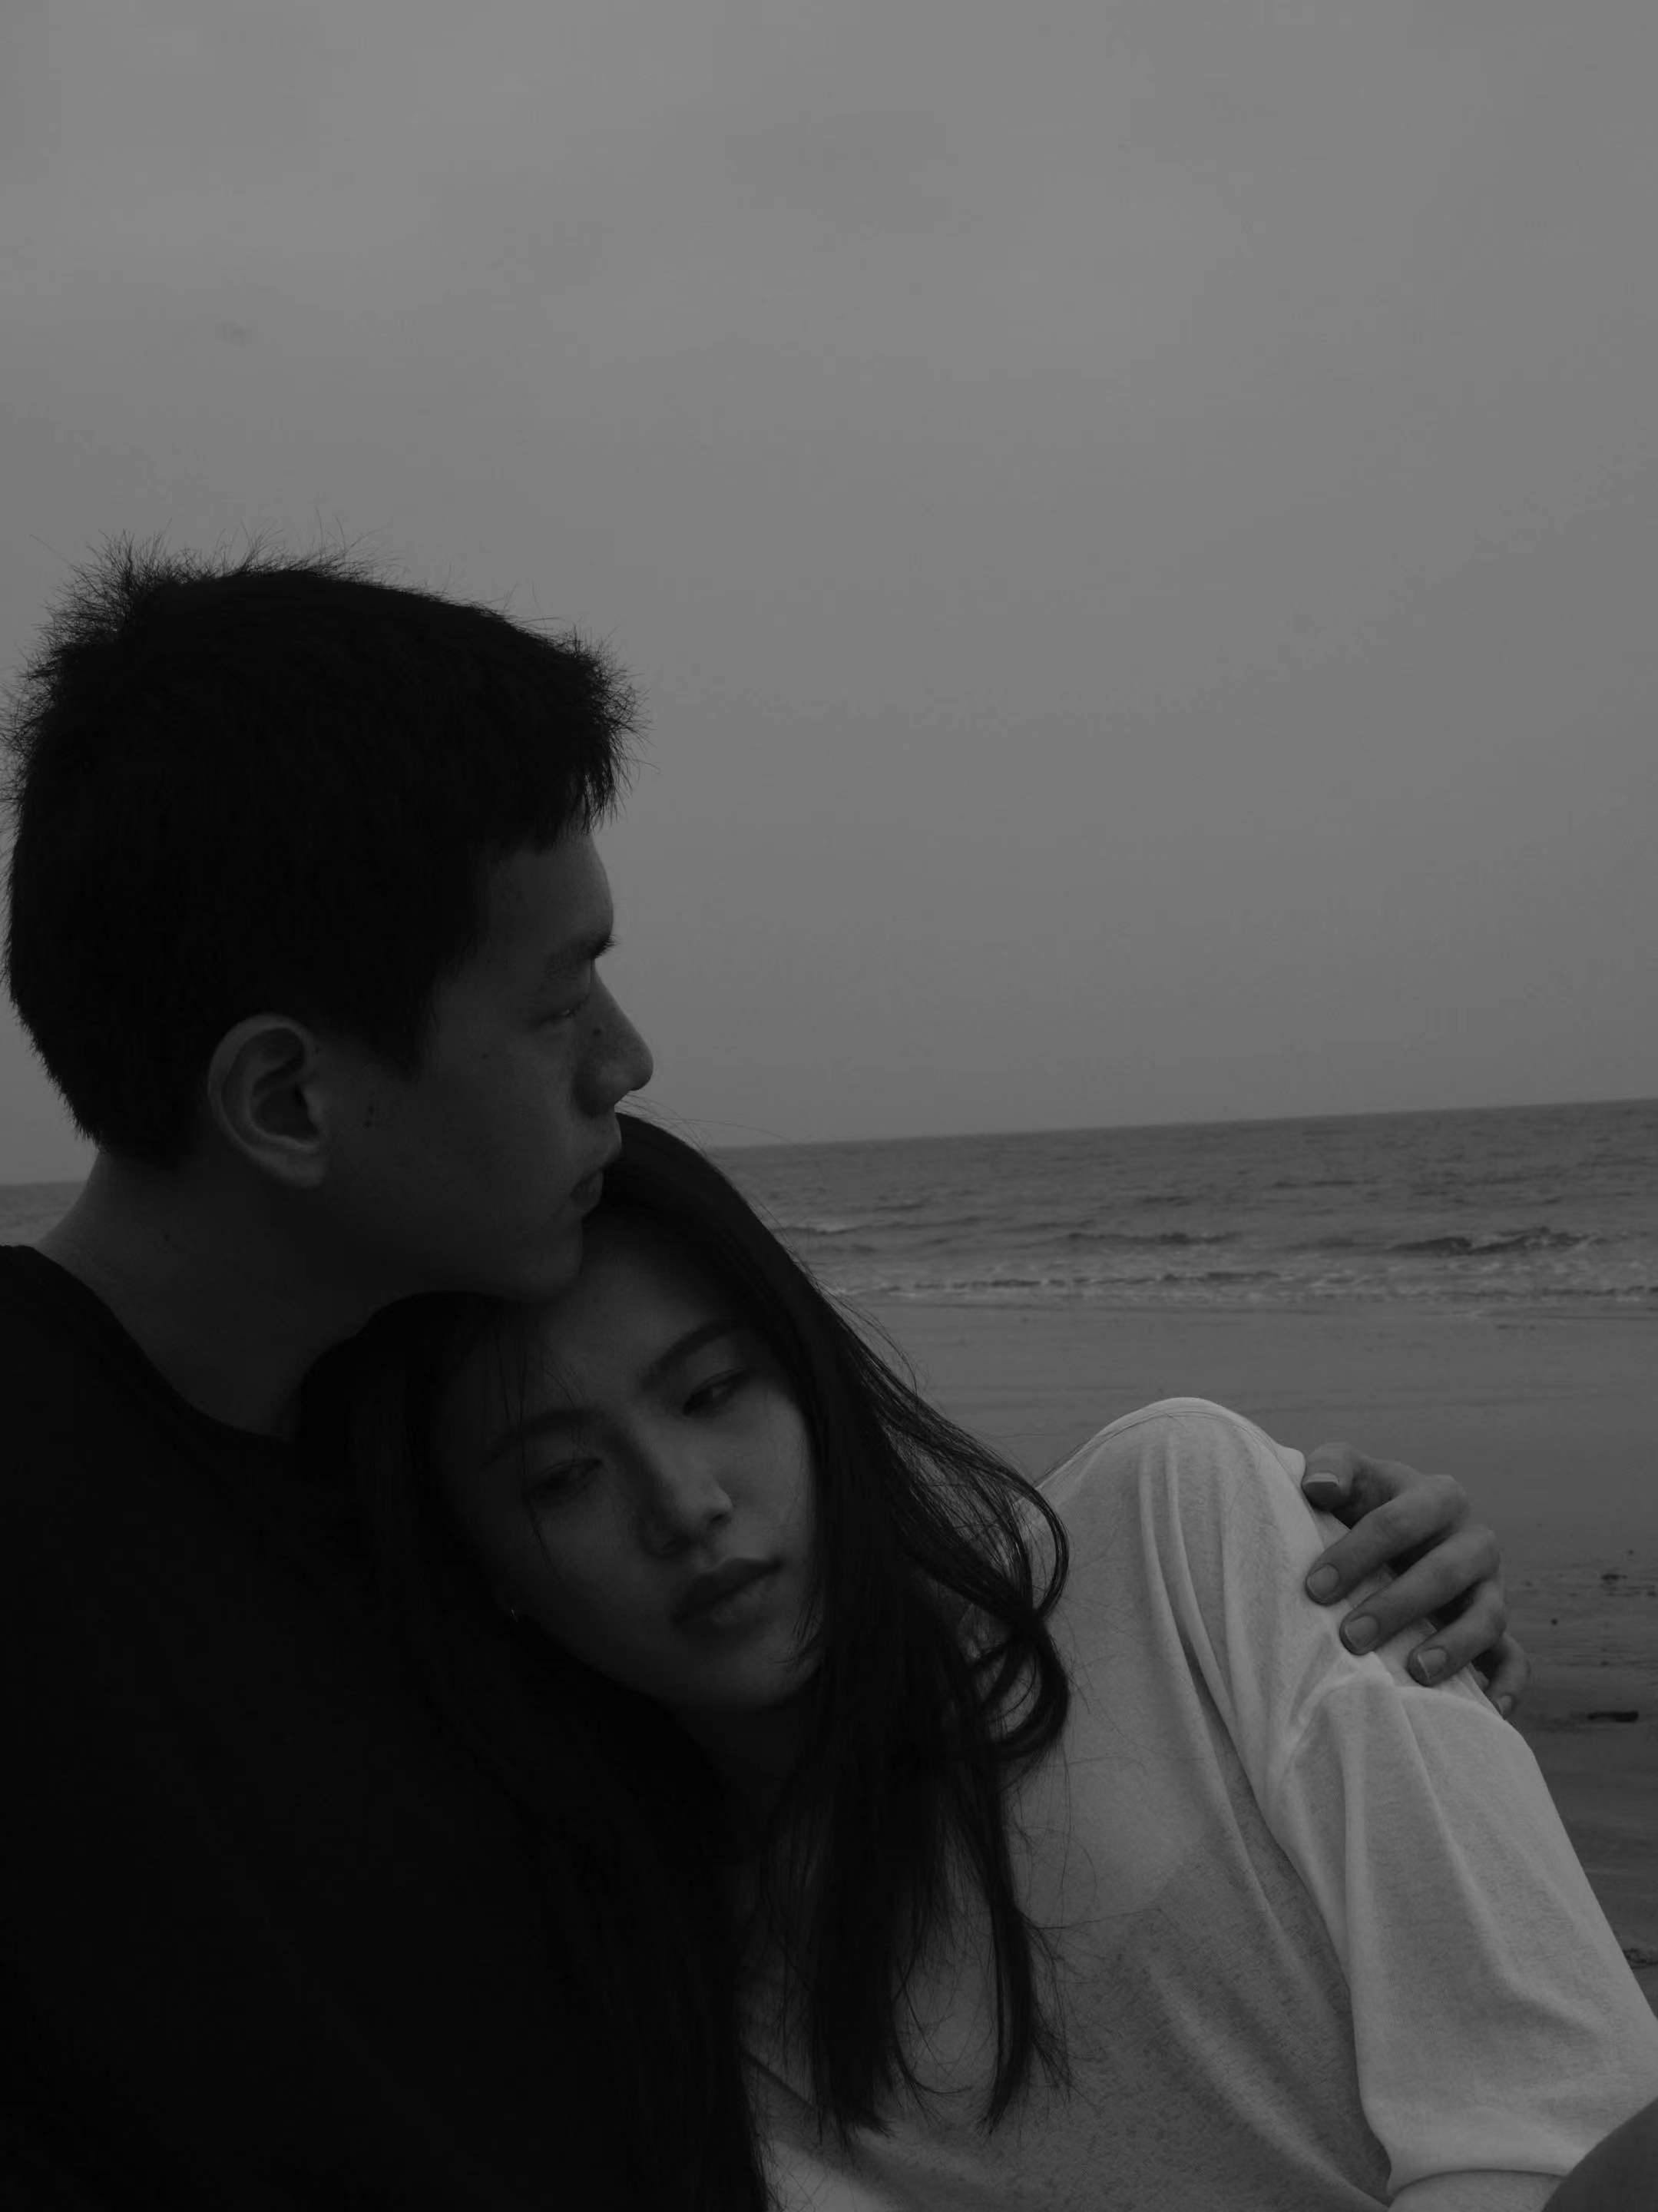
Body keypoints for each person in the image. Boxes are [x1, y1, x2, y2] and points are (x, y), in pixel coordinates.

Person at [1, 537, 1527, 2210]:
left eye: (712, 1389)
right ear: (288, 1103)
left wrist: (1375, 1665)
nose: (627, 1059)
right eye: (556, 1002)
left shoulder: (403, 1488)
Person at [313, 1113, 1658, 2211]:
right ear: (490, 1575)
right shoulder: (665, 2017)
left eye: (713, 1391)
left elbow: (1550, 2104)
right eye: (563, 1478)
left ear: (812, 1380)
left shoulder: (1178, 1534)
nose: (685, 1504)